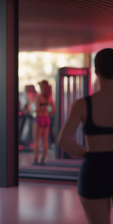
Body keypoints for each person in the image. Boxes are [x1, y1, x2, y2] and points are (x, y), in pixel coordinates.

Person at [58, 48, 113, 224]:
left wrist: (89, 155)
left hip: (94, 169)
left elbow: (63, 140)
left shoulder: (82, 105)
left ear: (96, 71)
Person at [33, 80, 56, 165]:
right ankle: (42, 160)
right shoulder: (49, 96)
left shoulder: (39, 97)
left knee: (36, 141)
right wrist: (47, 113)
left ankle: (36, 160)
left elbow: (37, 109)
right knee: (45, 140)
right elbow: (54, 109)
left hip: (39, 118)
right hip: (46, 118)